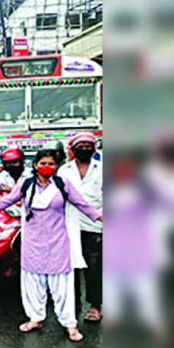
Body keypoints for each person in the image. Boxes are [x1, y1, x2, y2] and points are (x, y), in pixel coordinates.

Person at [0, 149, 102, 342]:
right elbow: (5, 202)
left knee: (62, 286)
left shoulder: (63, 184)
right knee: (33, 282)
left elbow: (84, 205)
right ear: (35, 165)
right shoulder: (26, 184)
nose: (47, 167)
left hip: (58, 242)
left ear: (56, 166)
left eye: (51, 164)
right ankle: (35, 318)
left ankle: (70, 324)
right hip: (32, 242)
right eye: (43, 163)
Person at [58, 132, 104, 323]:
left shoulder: (102, 168)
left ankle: (95, 306)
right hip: (69, 225)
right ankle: (73, 305)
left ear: (94, 149)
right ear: (73, 149)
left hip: (96, 224)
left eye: (88, 146)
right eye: (80, 146)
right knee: (71, 268)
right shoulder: (64, 171)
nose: (84, 149)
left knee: (94, 268)